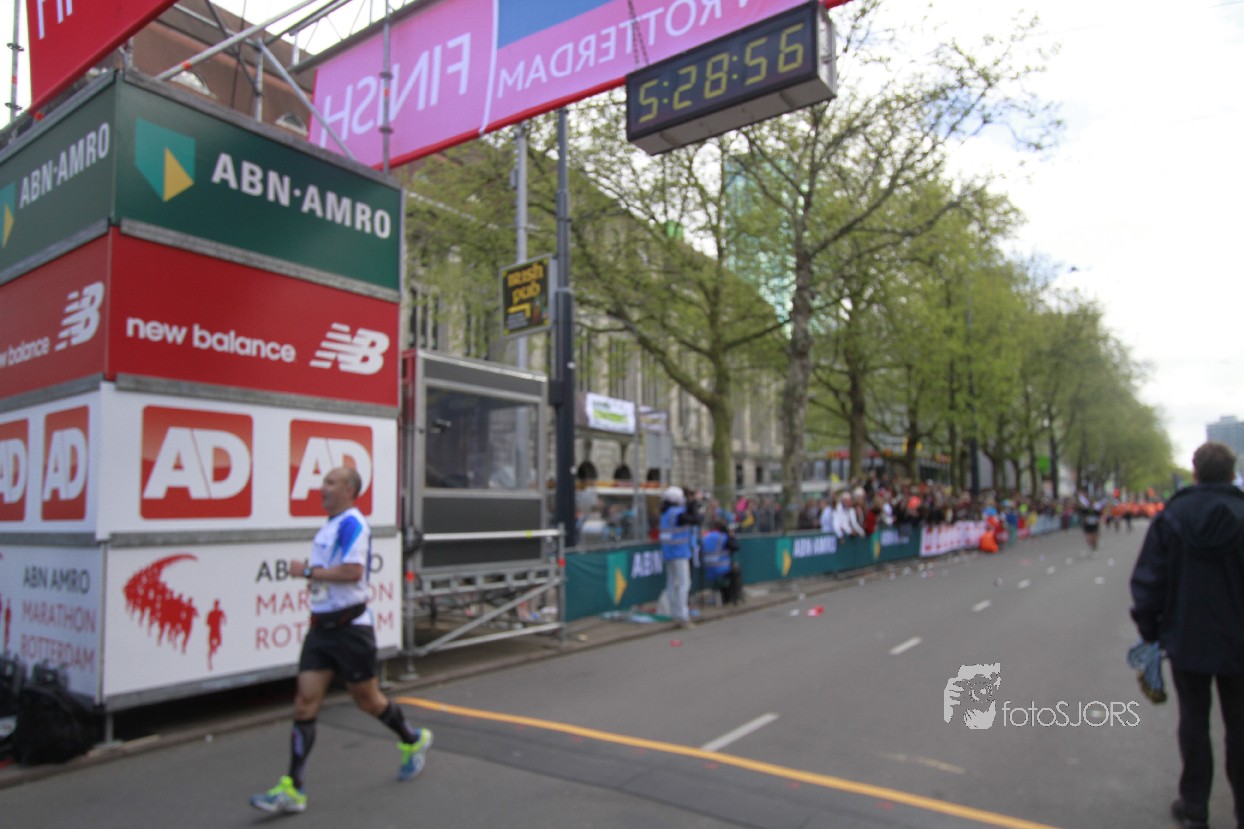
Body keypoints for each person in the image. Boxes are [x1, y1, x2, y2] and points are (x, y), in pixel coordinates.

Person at [250, 466, 432, 814]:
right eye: (323, 482)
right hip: (321, 629)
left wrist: (308, 571)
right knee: (304, 703)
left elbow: (353, 572)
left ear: (349, 489)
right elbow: (331, 571)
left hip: (351, 630)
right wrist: (316, 579)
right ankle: (294, 788)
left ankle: (412, 739)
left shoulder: (353, 524)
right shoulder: (330, 526)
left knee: (369, 701)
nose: (322, 488)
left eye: (331, 482)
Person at [1130, 442, 1244, 829]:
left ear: (1195, 472)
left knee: (1194, 723)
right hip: (1238, 638)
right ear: (1231, 473)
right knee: (1240, 726)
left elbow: (1149, 580)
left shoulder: (1172, 516)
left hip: (1187, 636)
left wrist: (1150, 631)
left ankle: (1195, 806)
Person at [659, 485, 701, 629]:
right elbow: (696, 519)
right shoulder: (677, 513)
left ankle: (675, 613)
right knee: (684, 583)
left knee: (671, 583)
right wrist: (693, 503)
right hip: (680, 552)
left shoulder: (665, 513)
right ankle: (683, 615)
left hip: (668, 551)